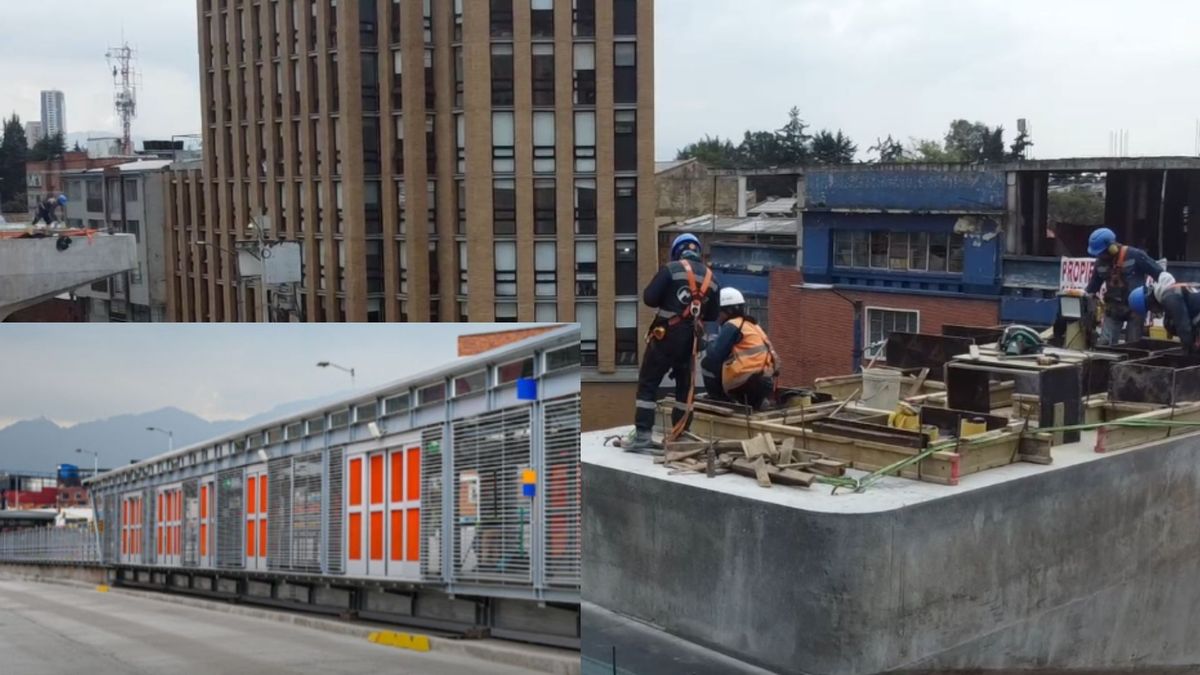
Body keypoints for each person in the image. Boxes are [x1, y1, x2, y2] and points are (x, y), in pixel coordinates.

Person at [623, 233, 721, 451]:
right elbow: (713, 315)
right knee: (685, 388)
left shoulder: (671, 269)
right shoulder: (711, 279)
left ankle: (642, 436)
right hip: (692, 341)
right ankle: (681, 433)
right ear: (698, 252)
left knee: (649, 383)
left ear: (677, 252)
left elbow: (649, 298)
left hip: (665, 336)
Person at [700, 287, 780, 410]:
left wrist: (706, 342)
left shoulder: (732, 325)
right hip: (765, 384)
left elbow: (714, 355)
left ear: (729, 310)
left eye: (719, 312)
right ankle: (757, 402)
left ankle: (719, 400)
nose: (717, 317)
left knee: (707, 363)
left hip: (747, 383)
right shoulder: (752, 325)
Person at [1085, 227, 1163, 345]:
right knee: (1105, 345)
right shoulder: (1100, 263)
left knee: (1132, 346)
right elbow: (1093, 287)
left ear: (1112, 247)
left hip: (1136, 308)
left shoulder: (1135, 255)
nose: (1100, 256)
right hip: (1113, 308)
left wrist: (1158, 298)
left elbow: (1159, 273)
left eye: (1102, 252)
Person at [1131, 272, 1200, 354]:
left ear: (1150, 303)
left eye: (1150, 310)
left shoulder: (1170, 298)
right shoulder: (1170, 292)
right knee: (1169, 324)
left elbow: (1183, 327)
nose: (1154, 313)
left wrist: (1189, 353)